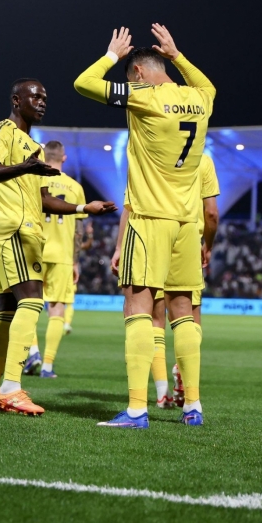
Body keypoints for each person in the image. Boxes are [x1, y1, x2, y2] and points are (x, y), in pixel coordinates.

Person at [75, 24, 215, 428]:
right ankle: (193, 407)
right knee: (183, 313)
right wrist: (177, 55)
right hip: (186, 224)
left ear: (137, 73)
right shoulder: (199, 99)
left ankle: (137, 410)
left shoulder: (144, 96)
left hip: (150, 218)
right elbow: (208, 85)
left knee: (137, 308)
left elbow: (84, 84)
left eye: (130, 75)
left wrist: (111, 55)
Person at [0, 78, 116, 415]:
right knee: (33, 300)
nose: (42, 102)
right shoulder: (1, 131)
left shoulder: (34, 148)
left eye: (45, 97)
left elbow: (43, 199)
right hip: (12, 228)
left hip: (28, 231)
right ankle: (11, 387)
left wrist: (84, 208)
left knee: (7, 312)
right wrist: (24, 167)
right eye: (35, 96)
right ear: (16, 100)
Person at [111, 153, 219, 409]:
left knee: (151, 318)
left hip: (151, 236)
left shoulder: (148, 153)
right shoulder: (202, 160)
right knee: (188, 317)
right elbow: (212, 213)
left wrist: (119, 247)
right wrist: (208, 246)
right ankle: (192, 401)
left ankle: (159, 394)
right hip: (188, 237)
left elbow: (129, 206)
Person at [21, 140, 87, 379]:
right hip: (62, 255)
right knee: (57, 308)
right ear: (64, 158)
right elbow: (79, 230)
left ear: (43, 156)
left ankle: (33, 352)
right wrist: (75, 261)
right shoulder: (75, 187)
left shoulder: (34, 180)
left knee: (26, 303)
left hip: (34, 249)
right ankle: (47, 366)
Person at [63, 220, 93, 335]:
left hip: (64, 271)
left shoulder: (65, 240)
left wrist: (90, 234)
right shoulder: (73, 242)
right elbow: (86, 246)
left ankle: (60, 321)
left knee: (56, 301)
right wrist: (89, 235)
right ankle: (65, 323)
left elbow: (86, 246)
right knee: (69, 301)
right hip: (69, 271)